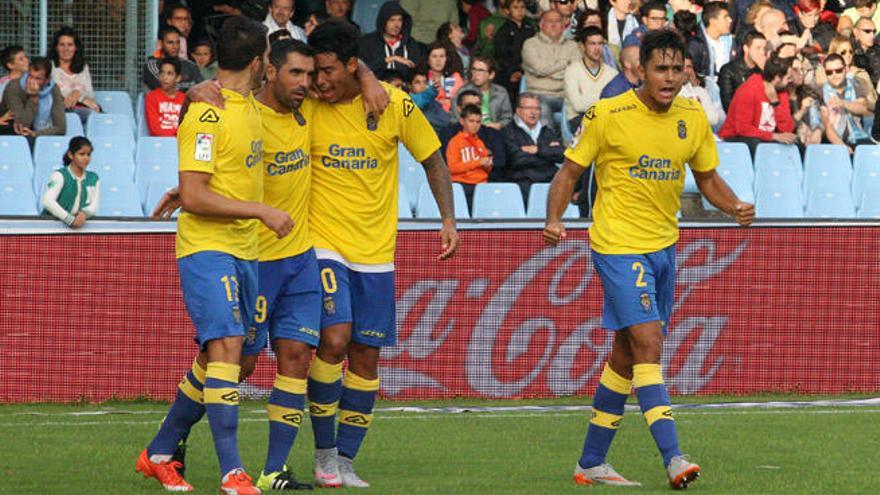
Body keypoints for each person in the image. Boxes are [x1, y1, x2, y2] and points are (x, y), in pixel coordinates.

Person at [544, 29, 754, 489]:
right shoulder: (608, 113)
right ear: (640, 70)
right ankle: (674, 457)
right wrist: (555, 217)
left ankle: (591, 462)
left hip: (664, 246)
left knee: (625, 353)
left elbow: (707, 177)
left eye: (677, 69)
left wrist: (734, 204)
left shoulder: (691, 115)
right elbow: (570, 171)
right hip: (617, 244)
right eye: (661, 68)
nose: (670, 77)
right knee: (649, 342)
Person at [135, 16, 289, 495]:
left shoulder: (247, 107)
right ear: (260, 60)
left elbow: (211, 179)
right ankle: (232, 473)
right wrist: (260, 209)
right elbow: (199, 197)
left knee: (231, 359)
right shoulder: (206, 112)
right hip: (208, 247)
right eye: (269, 57)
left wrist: (193, 88)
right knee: (225, 348)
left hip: (246, 250)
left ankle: (159, 452)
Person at [304, 20, 458, 488]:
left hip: (375, 252)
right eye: (315, 71)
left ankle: (346, 461)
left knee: (367, 356)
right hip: (321, 242)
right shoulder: (306, 103)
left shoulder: (392, 106)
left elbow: (433, 159)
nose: (320, 81)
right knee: (333, 339)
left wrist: (448, 219)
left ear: (352, 65)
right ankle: (324, 453)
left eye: (329, 70)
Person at [718, 55, 796, 155]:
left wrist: (776, 103)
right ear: (777, 78)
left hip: (765, 137)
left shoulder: (782, 93)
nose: (790, 81)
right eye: (788, 78)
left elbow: (787, 129)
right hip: (735, 137)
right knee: (757, 144)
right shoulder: (748, 89)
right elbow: (742, 128)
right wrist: (773, 136)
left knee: (795, 145)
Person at [521, 9, 581, 126]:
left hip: (567, 95)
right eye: (549, 21)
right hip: (539, 94)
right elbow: (540, 69)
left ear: (563, 25)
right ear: (541, 25)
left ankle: (573, 143)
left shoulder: (573, 46)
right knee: (542, 107)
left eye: (557, 21)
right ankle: (549, 143)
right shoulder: (530, 44)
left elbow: (576, 72)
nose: (553, 25)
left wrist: (548, 73)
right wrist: (565, 64)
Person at [501, 92, 565, 199]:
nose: (533, 112)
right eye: (528, 108)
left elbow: (561, 154)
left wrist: (537, 150)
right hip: (523, 181)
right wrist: (548, 154)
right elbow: (517, 159)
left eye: (537, 108)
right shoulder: (508, 131)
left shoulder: (547, 130)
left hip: (549, 179)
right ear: (518, 111)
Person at [565, 26, 618, 132]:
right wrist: (604, 98)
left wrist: (588, 98)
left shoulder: (612, 73)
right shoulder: (572, 70)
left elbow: (616, 103)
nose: (597, 48)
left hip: (606, 118)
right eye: (592, 44)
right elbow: (578, 106)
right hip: (578, 119)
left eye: (600, 44)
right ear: (582, 46)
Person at [0, 57, 66, 139]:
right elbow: (21, 126)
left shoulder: (53, 88)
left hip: (39, 134)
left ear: (47, 81)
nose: (31, 81)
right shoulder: (13, 87)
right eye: (30, 76)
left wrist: (36, 134)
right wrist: (33, 99)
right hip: (10, 133)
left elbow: (61, 128)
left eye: (37, 79)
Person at [820, 53, 874, 153]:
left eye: (838, 71)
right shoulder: (821, 92)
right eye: (829, 72)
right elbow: (827, 126)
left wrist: (843, 103)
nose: (834, 75)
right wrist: (843, 147)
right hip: (834, 141)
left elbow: (864, 109)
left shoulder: (856, 84)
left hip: (859, 137)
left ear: (845, 70)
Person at [41, 136, 99, 227]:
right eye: (82, 154)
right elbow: (48, 201)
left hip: (79, 227)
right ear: (71, 155)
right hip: (50, 226)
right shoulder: (59, 175)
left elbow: (94, 205)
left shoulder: (94, 178)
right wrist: (69, 219)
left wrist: (84, 214)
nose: (86, 158)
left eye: (89, 154)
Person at [359, 1, 422, 82]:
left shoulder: (411, 44)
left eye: (399, 20)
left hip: (404, 91)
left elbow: (417, 72)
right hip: (377, 89)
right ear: (383, 22)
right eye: (392, 20)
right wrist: (390, 59)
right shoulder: (368, 42)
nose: (396, 25)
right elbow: (362, 69)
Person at [49, 27, 101, 121]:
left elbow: (90, 93)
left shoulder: (83, 67)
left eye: (70, 45)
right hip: (58, 110)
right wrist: (79, 96)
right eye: (62, 45)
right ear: (56, 47)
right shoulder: (50, 66)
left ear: (76, 47)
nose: (66, 49)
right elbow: (54, 92)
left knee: (96, 114)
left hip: (81, 108)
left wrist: (78, 95)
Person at [447, 104, 493, 207]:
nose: (475, 125)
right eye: (471, 121)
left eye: (478, 122)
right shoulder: (455, 142)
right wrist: (478, 162)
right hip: (462, 185)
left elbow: (486, 169)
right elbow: (452, 168)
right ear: (462, 121)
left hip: (481, 185)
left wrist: (488, 165)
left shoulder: (480, 143)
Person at [450, 56, 513, 130]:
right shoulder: (463, 92)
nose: (476, 74)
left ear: (491, 75)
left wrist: (499, 125)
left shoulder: (500, 92)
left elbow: (508, 117)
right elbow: (455, 118)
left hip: (495, 132)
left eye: (481, 70)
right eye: (474, 69)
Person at [494, 0, 537, 100]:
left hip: (529, 69)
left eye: (522, 7)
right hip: (510, 73)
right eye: (515, 7)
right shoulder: (503, 31)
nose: (520, 11)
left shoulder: (530, 28)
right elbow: (501, 55)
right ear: (507, 11)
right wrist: (512, 71)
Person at [143, 26, 204, 92]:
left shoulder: (190, 65)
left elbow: (203, 87)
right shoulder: (152, 64)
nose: (175, 46)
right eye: (170, 42)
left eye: (178, 42)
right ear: (160, 43)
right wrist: (192, 86)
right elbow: (165, 86)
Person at [718, 31, 768, 111]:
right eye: (758, 48)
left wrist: (765, 70)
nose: (762, 52)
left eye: (764, 49)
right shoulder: (729, 70)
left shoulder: (764, 70)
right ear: (746, 49)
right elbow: (729, 106)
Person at [687, 1, 733, 79]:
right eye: (725, 17)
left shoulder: (732, 43)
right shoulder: (695, 45)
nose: (730, 20)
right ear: (713, 21)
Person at [416, 42, 465, 113]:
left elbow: (458, 102)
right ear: (428, 60)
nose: (438, 60)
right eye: (434, 56)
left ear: (447, 59)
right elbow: (419, 101)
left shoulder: (455, 77)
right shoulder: (420, 78)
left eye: (442, 56)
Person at [680, 52, 724, 128]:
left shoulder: (700, 91)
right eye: (682, 67)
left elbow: (714, 118)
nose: (685, 70)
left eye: (689, 67)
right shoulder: (669, 93)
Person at [144, 58, 186, 137]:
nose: (164, 77)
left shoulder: (185, 99)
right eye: (162, 73)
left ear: (178, 78)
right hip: (160, 143)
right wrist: (175, 135)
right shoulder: (151, 97)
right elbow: (154, 129)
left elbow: (187, 126)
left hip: (181, 143)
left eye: (169, 73)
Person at [852, 17, 880, 87]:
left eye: (874, 31)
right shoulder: (848, 50)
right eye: (867, 31)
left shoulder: (878, 49)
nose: (872, 35)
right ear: (856, 32)